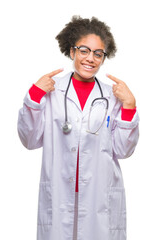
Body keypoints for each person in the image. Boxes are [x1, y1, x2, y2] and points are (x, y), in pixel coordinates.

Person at [18, 16, 139, 240]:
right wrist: (34, 96)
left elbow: (123, 150)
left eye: (98, 53)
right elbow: (29, 140)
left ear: (104, 57)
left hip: (99, 198)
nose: (90, 58)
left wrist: (129, 106)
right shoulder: (51, 92)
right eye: (84, 50)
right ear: (72, 51)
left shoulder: (113, 97)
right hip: (59, 193)